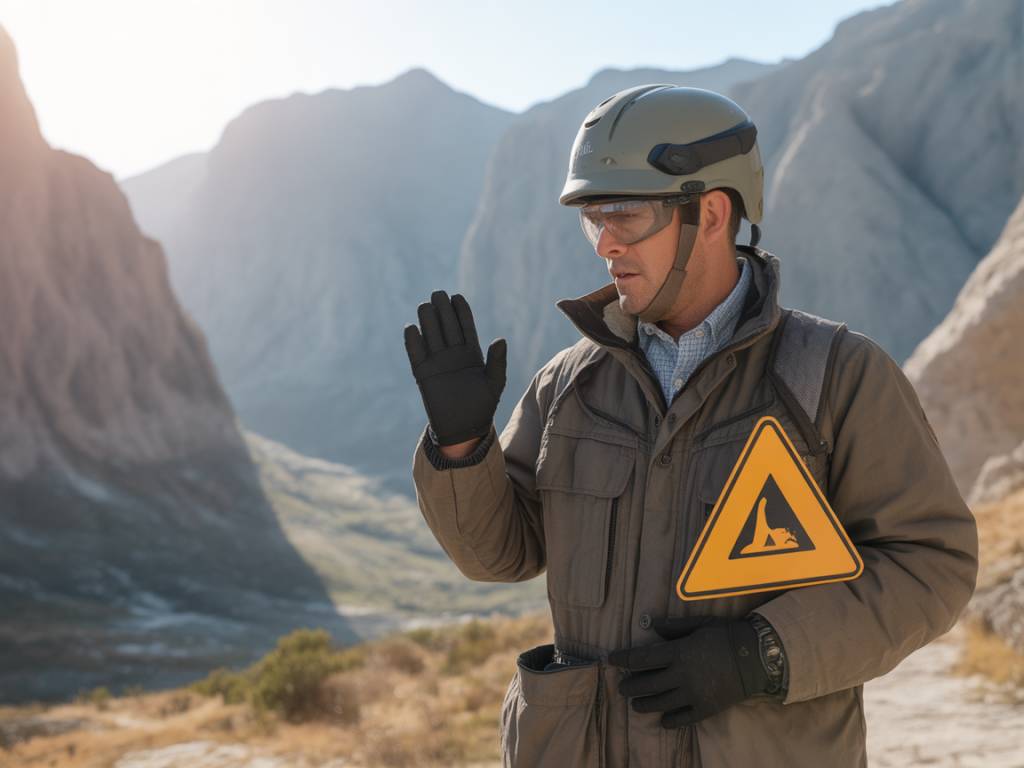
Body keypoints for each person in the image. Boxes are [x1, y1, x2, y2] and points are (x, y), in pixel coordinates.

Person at [403, 85, 978, 767]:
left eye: (626, 215)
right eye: (594, 219)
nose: (605, 244)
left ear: (710, 212)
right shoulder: (568, 385)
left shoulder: (836, 376)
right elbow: (498, 557)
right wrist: (462, 446)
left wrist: (760, 654)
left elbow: (930, 563)